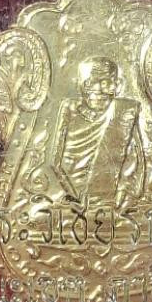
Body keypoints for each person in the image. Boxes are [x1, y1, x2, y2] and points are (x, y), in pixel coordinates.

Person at [51, 57, 145, 207]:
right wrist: (73, 196)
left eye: (106, 83)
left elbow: (135, 158)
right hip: (71, 196)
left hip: (112, 201)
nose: (99, 90)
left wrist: (123, 194)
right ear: (79, 85)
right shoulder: (70, 109)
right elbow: (54, 162)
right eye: (90, 82)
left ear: (117, 85)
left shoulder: (125, 111)